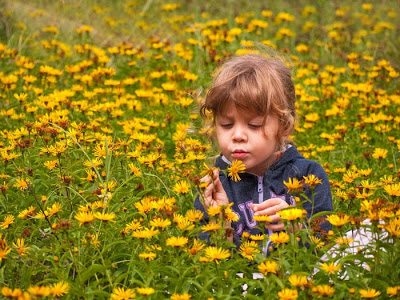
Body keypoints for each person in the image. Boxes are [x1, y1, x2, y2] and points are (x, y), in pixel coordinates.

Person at [194, 53, 333, 251]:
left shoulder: (308, 175)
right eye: (226, 124)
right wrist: (222, 225)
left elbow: (326, 246)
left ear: (283, 126)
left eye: (254, 125)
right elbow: (210, 264)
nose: (238, 135)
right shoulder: (215, 186)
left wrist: (297, 227)